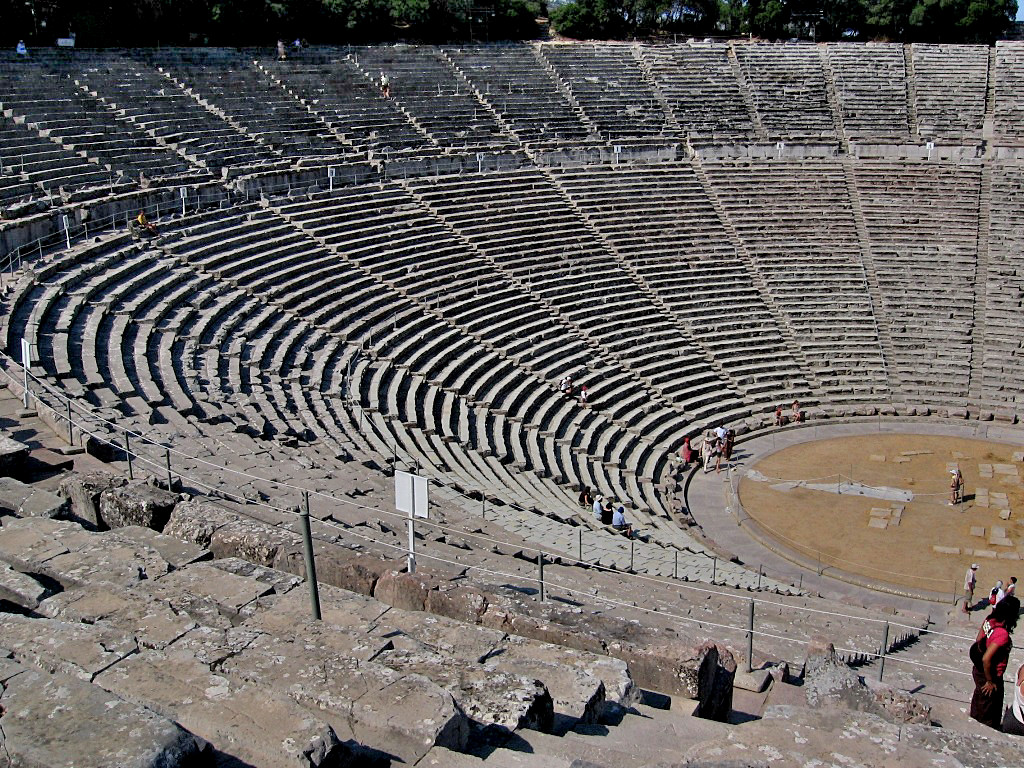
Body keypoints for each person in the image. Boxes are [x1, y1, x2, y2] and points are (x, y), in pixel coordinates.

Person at [970, 594, 1020, 729]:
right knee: (988, 713)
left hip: (979, 670)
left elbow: (978, 640)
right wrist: (990, 681)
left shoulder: (989, 620)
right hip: (990, 675)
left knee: (979, 704)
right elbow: (986, 658)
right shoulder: (1002, 634)